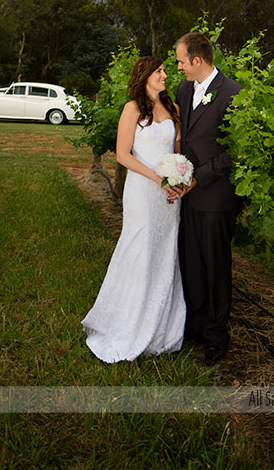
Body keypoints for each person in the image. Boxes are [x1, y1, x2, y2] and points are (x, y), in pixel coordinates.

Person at [81, 56, 186, 362]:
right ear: (145, 76)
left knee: (165, 250)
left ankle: (161, 328)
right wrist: (158, 177)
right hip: (142, 191)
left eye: (165, 70)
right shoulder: (132, 109)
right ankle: (127, 324)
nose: (165, 75)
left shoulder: (174, 109)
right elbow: (123, 156)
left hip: (168, 196)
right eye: (160, 71)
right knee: (139, 248)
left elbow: (177, 155)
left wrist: (178, 178)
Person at [174, 32, 242, 366]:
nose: (179, 68)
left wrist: (199, 177)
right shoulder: (184, 90)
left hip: (215, 197)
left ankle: (217, 337)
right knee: (192, 263)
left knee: (216, 268)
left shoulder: (233, 94)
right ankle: (195, 327)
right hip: (187, 195)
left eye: (181, 62)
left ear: (197, 60)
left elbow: (233, 152)